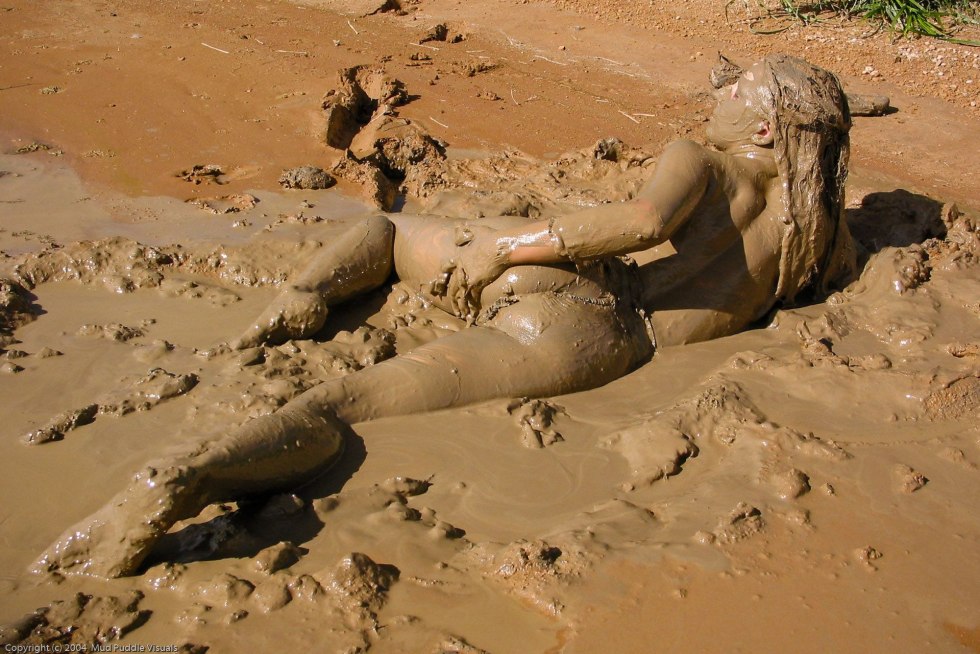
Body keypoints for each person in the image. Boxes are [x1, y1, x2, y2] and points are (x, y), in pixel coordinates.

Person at [33, 54, 856, 578]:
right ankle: (191, 483)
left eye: (736, 86)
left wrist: (513, 248)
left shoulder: (701, 157)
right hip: (606, 349)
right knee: (345, 408)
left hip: (568, 275)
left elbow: (644, 223)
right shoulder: (819, 234)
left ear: (758, 125)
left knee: (388, 232)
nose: (715, 88)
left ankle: (295, 308)